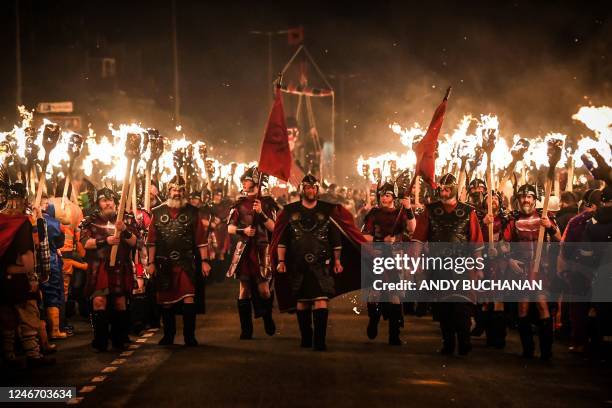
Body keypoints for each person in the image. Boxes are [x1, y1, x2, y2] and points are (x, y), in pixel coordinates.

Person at [270, 174, 366, 351]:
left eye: (313, 188)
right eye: (307, 188)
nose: (311, 190)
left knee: (321, 300)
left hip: (322, 264)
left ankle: (320, 341)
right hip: (297, 264)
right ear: (302, 190)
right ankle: (306, 337)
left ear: (317, 190)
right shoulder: (290, 212)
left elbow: (336, 240)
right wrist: (281, 261)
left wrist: (337, 261)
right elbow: (282, 240)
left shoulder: (328, 211)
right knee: (303, 301)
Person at [411, 174, 484, 356]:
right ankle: (448, 343)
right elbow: (418, 240)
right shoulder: (430, 210)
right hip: (438, 266)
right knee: (443, 308)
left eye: (447, 188)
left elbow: (476, 243)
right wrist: (415, 265)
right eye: (441, 188)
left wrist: (479, 266)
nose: (443, 191)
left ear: (454, 189)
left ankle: (464, 341)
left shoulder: (469, 212)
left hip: (462, 267)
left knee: (462, 307)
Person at [146, 176, 210, 346]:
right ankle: (169, 336)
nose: (177, 193)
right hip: (163, 263)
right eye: (174, 189)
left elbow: (201, 239)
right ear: (169, 191)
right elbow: (151, 241)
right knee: (166, 302)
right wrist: (150, 263)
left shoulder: (192, 212)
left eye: (180, 190)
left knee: (189, 297)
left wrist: (204, 260)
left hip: (186, 262)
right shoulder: (157, 212)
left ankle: (190, 336)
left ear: (184, 192)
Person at [500, 184, 561, 360]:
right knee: (523, 307)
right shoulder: (513, 220)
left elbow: (560, 238)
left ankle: (546, 351)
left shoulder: (545, 217)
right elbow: (503, 244)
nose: (525, 200)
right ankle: (527, 349)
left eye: (529, 197)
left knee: (542, 304)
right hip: (522, 270)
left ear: (534, 199)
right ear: (518, 200)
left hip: (542, 268)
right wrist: (509, 259)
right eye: (522, 197)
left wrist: (550, 226)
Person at [0, 180, 55, 367]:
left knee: (6, 318)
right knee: (28, 316)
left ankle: (8, 355)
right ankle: (33, 354)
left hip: (2, 279)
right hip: (20, 278)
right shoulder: (23, 224)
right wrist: (31, 275)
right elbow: (28, 261)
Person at [80, 188, 140, 351]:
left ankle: (119, 339)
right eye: (103, 200)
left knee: (120, 302)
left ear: (115, 201)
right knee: (99, 301)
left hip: (121, 266)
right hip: (99, 267)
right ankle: (100, 340)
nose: (107, 203)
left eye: (110, 200)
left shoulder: (126, 218)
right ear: (98, 203)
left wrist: (124, 231)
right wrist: (105, 241)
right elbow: (85, 242)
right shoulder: (90, 220)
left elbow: (135, 242)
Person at [361, 182, 416, 345]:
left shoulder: (401, 212)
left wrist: (409, 209)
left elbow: (412, 229)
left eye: (388, 195)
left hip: (396, 256)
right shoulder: (374, 213)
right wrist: (380, 240)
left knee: (395, 294)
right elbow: (365, 236)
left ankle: (394, 334)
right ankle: (373, 320)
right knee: (374, 293)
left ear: (394, 197)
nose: (384, 198)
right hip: (377, 256)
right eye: (382, 195)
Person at [227, 167, 277, 339]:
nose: (243, 183)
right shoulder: (238, 204)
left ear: (255, 182)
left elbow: (274, 227)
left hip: (262, 249)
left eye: (246, 180)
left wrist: (261, 213)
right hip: (244, 250)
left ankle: (268, 317)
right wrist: (243, 229)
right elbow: (230, 228)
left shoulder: (268, 202)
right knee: (244, 290)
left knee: (264, 290)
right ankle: (246, 330)